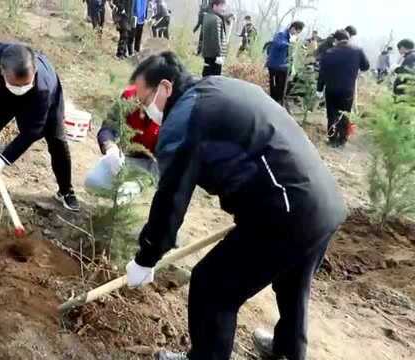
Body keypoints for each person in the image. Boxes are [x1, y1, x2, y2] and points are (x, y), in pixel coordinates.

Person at [123, 51, 346, 360]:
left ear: (164, 87)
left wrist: (146, 256)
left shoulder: (183, 119)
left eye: (143, 99)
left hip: (286, 211)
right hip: (323, 202)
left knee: (212, 287)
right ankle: (287, 351)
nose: (143, 110)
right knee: (293, 283)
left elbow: (172, 199)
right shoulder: (216, 87)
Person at [0, 43, 80, 211]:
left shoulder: (43, 87)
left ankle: (66, 190)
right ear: (2, 70)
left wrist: (4, 159)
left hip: (42, 101)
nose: (21, 89)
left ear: (34, 71)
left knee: (57, 140)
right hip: (3, 94)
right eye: (16, 85)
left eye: (25, 84)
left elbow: (33, 131)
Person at [84, 85, 160, 194]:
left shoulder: (174, 112)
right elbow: (108, 127)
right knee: (93, 182)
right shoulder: (129, 96)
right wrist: (111, 149)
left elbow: (171, 160)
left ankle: (142, 193)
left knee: (129, 192)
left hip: (155, 164)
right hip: (127, 157)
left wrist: (142, 183)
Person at [317, 30, 370, 148]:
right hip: (347, 89)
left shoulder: (329, 53)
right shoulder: (357, 51)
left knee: (331, 114)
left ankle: (332, 139)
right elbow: (366, 66)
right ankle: (342, 140)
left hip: (331, 89)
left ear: (335, 40)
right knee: (345, 114)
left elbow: (322, 73)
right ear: (348, 38)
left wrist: (319, 89)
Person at [266, 21, 305, 105]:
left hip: (284, 67)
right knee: (273, 86)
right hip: (274, 65)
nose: (296, 34)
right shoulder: (281, 35)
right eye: (296, 31)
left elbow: (292, 54)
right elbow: (279, 44)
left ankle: (279, 103)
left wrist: (292, 67)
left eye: (298, 33)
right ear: (293, 28)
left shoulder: (294, 38)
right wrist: (289, 43)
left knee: (282, 87)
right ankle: (272, 102)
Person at [200, 0, 229, 77]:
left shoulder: (207, 16)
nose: (223, 9)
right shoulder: (216, 19)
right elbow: (216, 39)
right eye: (222, 6)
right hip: (215, 56)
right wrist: (219, 55)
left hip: (208, 54)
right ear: (215, 6)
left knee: (206, 74)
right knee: (214, 79)